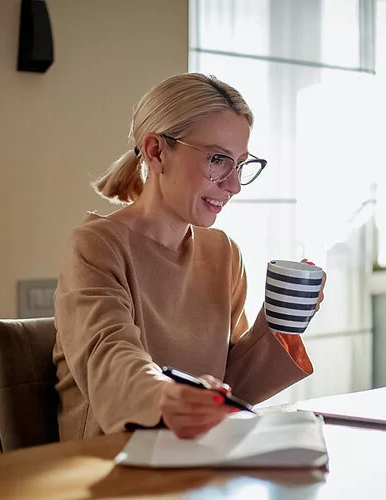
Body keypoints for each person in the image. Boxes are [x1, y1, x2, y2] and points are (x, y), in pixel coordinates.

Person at [52, 73, 325, 440]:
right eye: (217, 159)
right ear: (156, 151)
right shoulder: (96, 246)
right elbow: (110, 355)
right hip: (111, 464)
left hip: (195, 456)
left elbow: (230, 388)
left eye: (241, 163)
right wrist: (165, 396)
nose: (234, 185)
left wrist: (281, 323)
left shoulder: (223, 252)